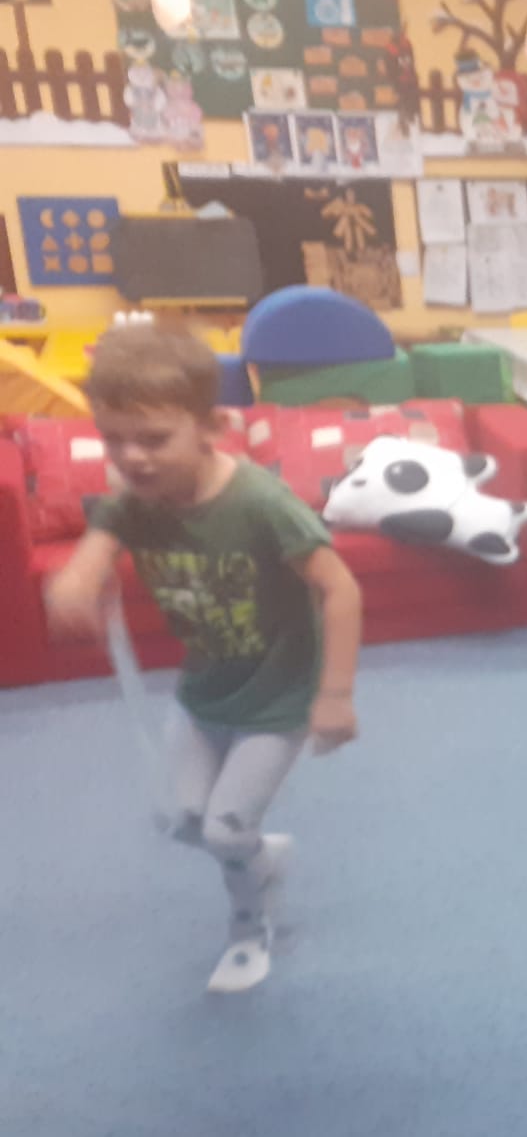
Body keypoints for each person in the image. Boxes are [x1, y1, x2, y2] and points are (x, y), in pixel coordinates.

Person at [43, 322, 362, 994]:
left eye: (153, 438)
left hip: (277, 700)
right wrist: (75, 580)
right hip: (203, 695)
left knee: (223, 832)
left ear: (212, 426)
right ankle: (263, 856)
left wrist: (334, 695)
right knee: (185, 821)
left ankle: (250, 932)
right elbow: (97, 548)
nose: (132, 458)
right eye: (114, 439)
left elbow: (340, 588)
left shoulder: (260, 504)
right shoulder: (138, 501)